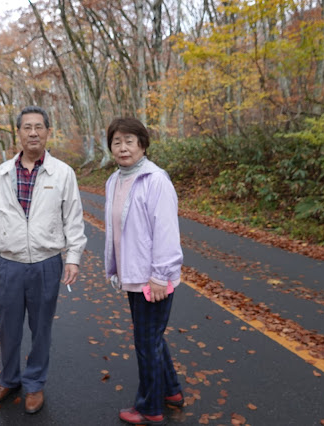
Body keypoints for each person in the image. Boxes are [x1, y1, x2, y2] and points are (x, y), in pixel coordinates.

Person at [0, 106, 87, 414]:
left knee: (41, 329)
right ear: (19, 133)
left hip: (46, 262)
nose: (33, 133)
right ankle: (8, 378)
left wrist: (73, 258)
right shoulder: (1, 174)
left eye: (39, 127)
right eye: (27, 127)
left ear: (48, 132)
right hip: (9, 264)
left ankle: (35, 384)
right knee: (9, 328)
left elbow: (74, 220)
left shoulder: (63, 173)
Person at [104, 117, 184, 425]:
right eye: (116, 142)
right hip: (132, 276)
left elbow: (166, 231)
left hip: (154, 278)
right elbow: (116, 231)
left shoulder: (155, 180)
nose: (123, 148)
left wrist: (161, 274)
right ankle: (172, 391)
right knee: (151, 337)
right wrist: (114, 269)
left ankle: (150, 407)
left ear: (142, 144)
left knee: (146, 343)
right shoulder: (115, 180)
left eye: (129, 141)